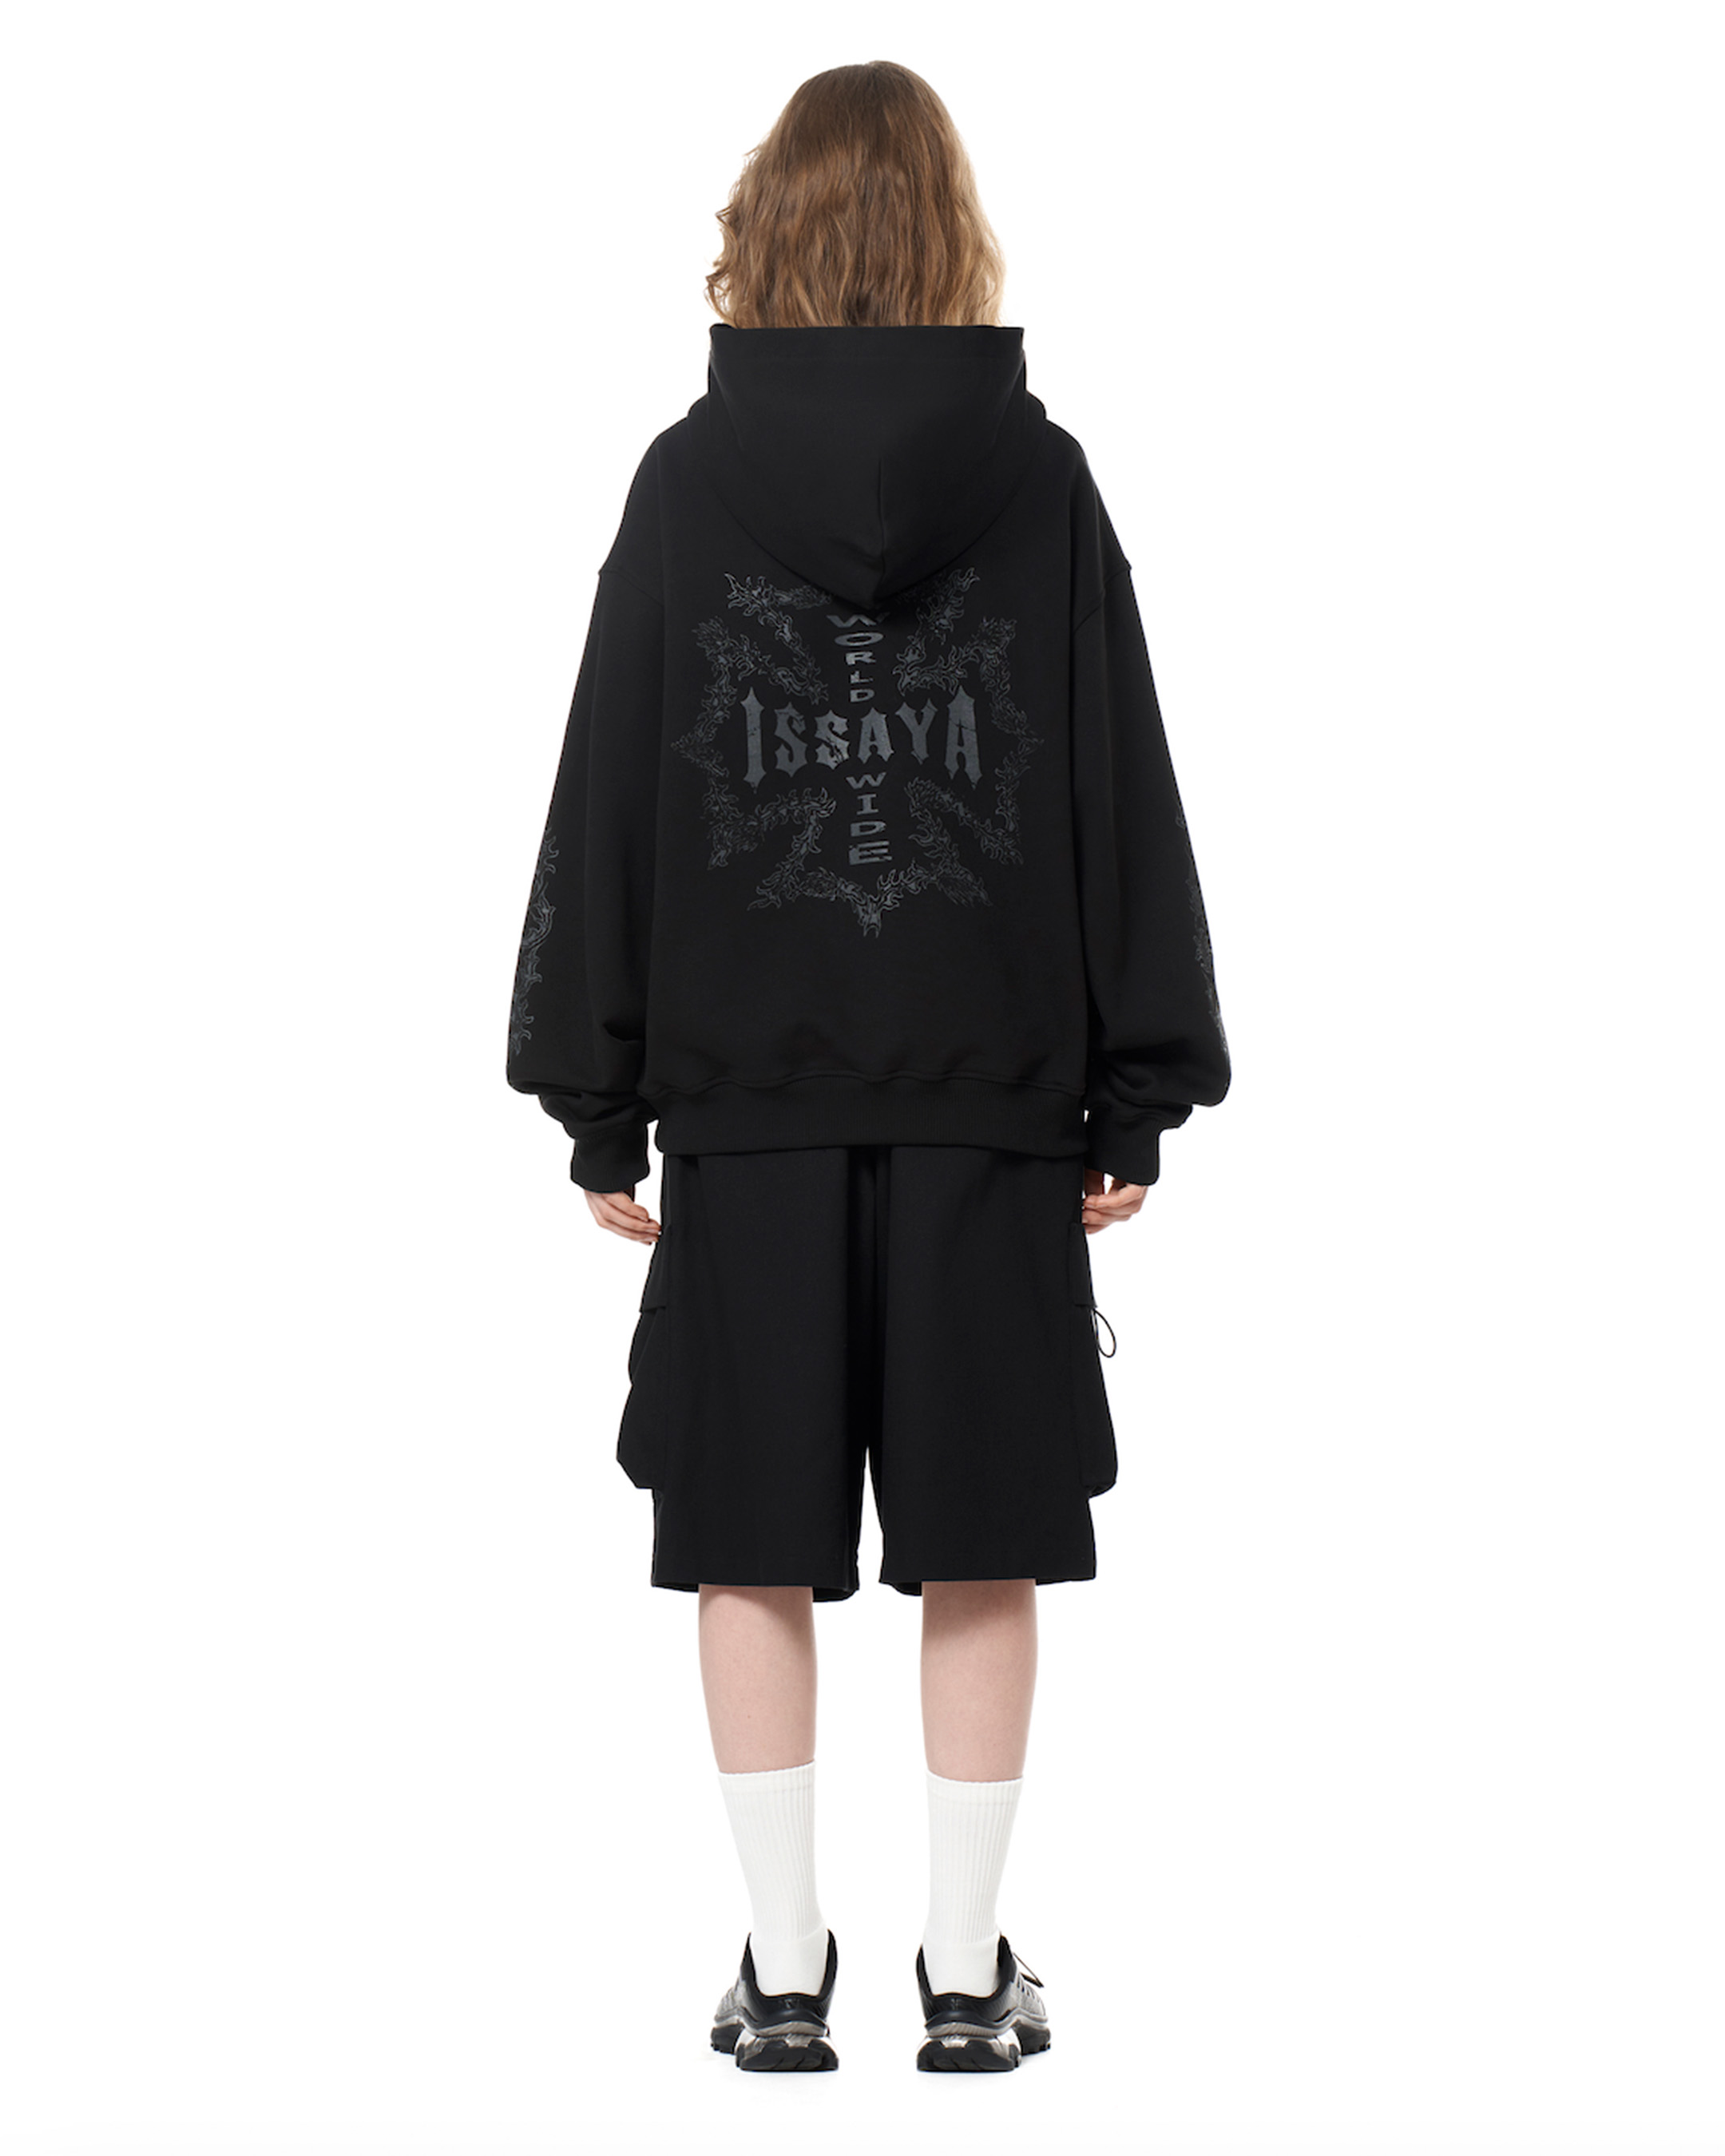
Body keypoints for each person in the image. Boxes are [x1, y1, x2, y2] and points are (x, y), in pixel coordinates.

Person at [506, 59, 1231, 2075]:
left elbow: (616, 787)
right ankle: (970, 1979)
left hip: (749, 1108)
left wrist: (598, 1091)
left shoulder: (686, 480)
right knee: (982, 1531)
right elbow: (1111, 786)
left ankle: (784, 1970)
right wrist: (1135, 1084)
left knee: (748, 1534)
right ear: (950, 237)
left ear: (771, 231)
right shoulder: (1044, 480)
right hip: (989, 1100)